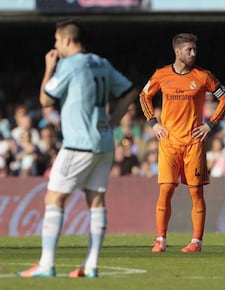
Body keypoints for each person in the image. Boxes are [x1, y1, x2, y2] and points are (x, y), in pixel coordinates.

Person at [18, 19, 138, 278]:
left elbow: (46, 99)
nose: (56, 46)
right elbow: (129, 91)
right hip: (104, 142)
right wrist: (112, 121)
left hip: (78, 145)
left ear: (68, 40)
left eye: (57, 41)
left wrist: (49, 67)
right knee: (96, 201)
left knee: (54, 199)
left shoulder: (70, 65)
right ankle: (91, 265)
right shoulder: (101, 63)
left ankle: (47, 264)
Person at [139, 33, 225, 253]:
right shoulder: (161, 75)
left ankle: (196, 242)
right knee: (166, 189)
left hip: (193, 143)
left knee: (196, 193)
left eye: (195, 49)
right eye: (189, 49)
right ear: (177, 51)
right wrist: (153, 123)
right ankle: (160, 239)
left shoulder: (203, 76)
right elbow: (144, 96)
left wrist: (210, 125)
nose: (194, 53)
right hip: (169, 141)